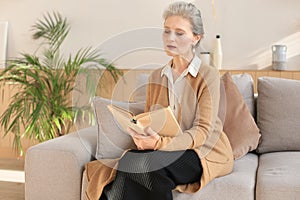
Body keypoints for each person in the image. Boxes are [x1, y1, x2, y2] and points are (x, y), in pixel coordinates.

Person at [85, 2, 233, 200]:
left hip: (201, 151)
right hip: (163, 149)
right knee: (129, 161)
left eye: (179, 33)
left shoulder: (208, 76)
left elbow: (203, 132)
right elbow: (151, 120)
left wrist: (160, 143)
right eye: (167, 31)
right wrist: (142, 134)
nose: (170, 39)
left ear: (196, 38)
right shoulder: (156, 76)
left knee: (149, 167)